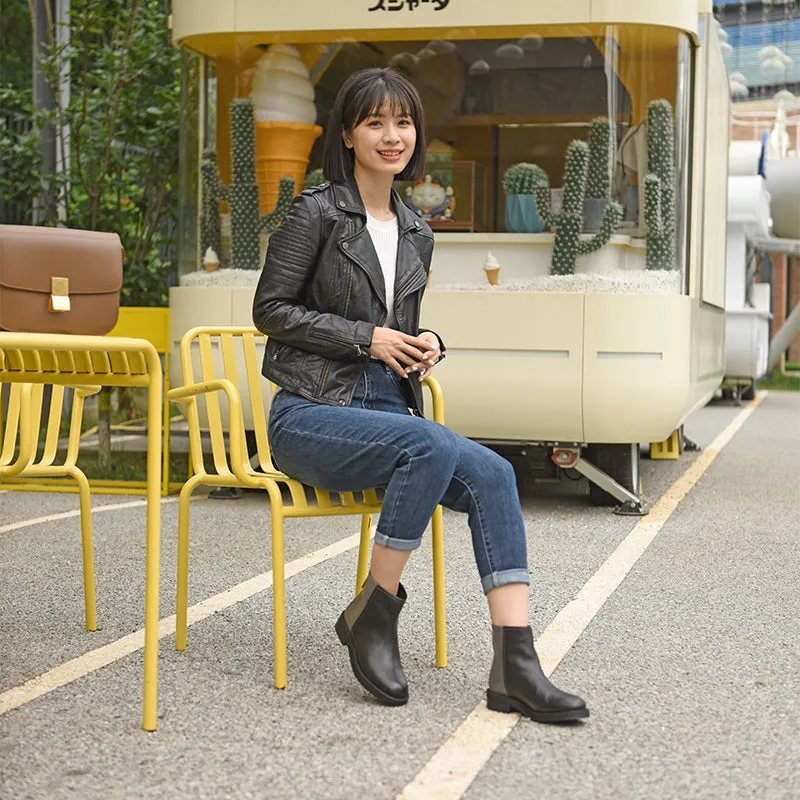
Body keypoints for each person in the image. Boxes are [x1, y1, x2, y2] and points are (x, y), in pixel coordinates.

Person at [252, 67, 588, 724]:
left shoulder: (416, 229)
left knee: (493, 473)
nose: (391, 135)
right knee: (428, 444)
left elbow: (394, 331)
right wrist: (365, 339)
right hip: (312, 413)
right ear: (347, 134)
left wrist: (421, 339)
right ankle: (377, 612)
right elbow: (271, 310)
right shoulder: (316, 212)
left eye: (402, 122)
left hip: (387, 413)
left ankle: (514, 665)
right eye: (374, 122)